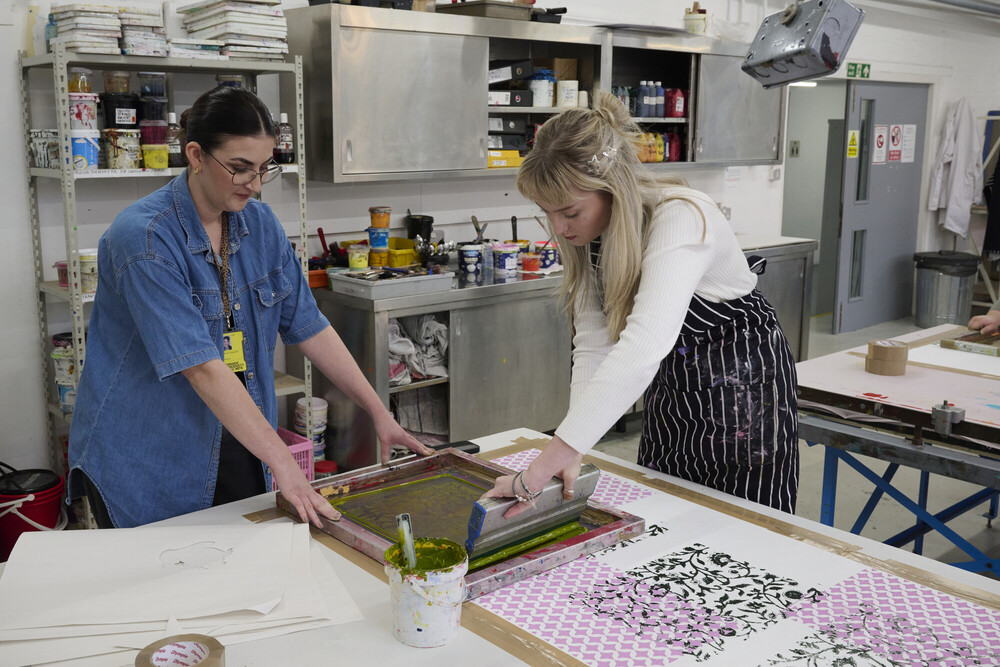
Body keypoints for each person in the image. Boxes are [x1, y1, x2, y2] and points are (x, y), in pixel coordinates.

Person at [68, 86, 432, 529]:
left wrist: (378, 412)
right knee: (165, 585)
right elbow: (200, 366)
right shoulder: (144, 239)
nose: (256, 185)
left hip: (237, 431)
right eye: (240, 169)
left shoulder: (259, 226)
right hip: (149, 452)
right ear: (196, 155)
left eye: (264, 169)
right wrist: (283, 461)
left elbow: (309, 326)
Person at [482, 91, 799, 516]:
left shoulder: (683, 216)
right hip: (674, 390)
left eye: (570, 212)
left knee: (745, 525)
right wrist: (573, 447)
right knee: (669, 509)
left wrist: (540, 469)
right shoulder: (594, 242)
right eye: (548, 212)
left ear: (612, 189)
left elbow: (643, 345)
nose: (559, 227)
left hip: (743, 394)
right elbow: (594, 344)